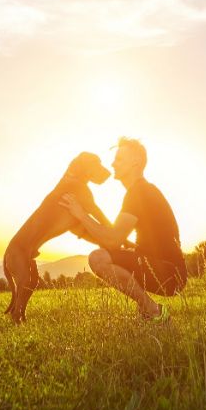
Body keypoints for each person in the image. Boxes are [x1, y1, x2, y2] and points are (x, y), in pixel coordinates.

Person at [59, 137, 187, 322]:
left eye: (119, 159)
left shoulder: (139, 193)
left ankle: (154, 312)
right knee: (110, 253)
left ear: (135, 162)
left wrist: (80, 215)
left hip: (169, 274)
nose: (112, 163)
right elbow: (118, 238)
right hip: (167, 271)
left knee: (98, 258)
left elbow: (112, 239)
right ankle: (148, 310)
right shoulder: (140, 191)